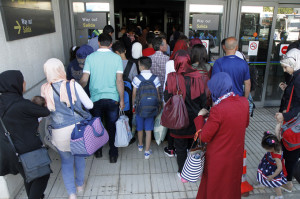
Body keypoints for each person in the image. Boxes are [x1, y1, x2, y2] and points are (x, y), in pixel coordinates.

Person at [41, 58, 93, 199]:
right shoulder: (72, 85)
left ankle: (71, 193)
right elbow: (89, 105)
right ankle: (80, 185)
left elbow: (45, 112)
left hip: (59, 132)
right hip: (77, 130)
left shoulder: (45, 89)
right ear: (61, 69)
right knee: (79, 157)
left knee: (66, 162)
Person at [194, 72, 249, 199]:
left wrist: (199, 118)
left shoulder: (218, 110)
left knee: (215, 188)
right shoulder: (244, 102)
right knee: (231, 187)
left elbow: (203, 137)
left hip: (218, 158)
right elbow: (244, 124)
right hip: (235, 156)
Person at [0, 70, 50, 199]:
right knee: (42, 176)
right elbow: (45, 112)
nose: (25, 83)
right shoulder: (23, 104)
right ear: (15, 84)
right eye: (22, 81)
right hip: (28, 150)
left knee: (29, 178)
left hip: (10, 151)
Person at [164, 50, 210, 179]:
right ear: (189, 61)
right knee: (194, 146)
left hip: (178, 118)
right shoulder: (197, 76)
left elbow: (166, 97)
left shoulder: (172, 77)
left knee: (180, 146)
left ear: (176, 62)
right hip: (195, 118)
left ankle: (181, 172)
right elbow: (203, 100)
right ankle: (194, 171)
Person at [80, 33, 125, 163]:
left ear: (98, 43)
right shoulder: (117, 58)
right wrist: (121, 99)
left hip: (95, 99)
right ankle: (113, 154)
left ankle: (98, 151)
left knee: (96, 125)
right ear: (111, 44)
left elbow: (84, 79)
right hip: (112, 98)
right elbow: (119, 81)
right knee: (112, 126)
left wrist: (76, 90)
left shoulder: (90, 57)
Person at [275, 48, 300, 192]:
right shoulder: (296, 76)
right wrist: (287, 89)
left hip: (294, 124)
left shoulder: (298, 77)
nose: (285, 70)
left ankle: (289, 182)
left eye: (286, 66)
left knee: (291, 154)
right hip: (293, 123)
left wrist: (285, 116)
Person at [163, 40, 189, 157]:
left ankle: (171, 148)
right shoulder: (189, 66)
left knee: (172, 123)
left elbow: (166, 80)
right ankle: (184, 149)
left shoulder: (169, 63)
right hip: (184, 98)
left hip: (172, 95)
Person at [132, 56, 161, 159]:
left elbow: (134, 93)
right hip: (151, 107)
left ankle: (140, 145)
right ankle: (147, 151)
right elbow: (157, 93)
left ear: (142, 66)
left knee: (140, 128)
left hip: (140, 107)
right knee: (148, 130)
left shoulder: (137, 78)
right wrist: (158, 106)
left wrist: (133, 106)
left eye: (139, 65)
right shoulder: (155, 78)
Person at [256, 132, 287, 199]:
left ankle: (279, 196)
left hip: (273, 171)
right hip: (268, 165)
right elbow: (277, 131)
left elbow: (279, 168)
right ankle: (263, 183)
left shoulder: (276, 156)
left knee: (275, 184)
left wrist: (272, 176)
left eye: (267, 149)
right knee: (264, 175)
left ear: (272, 147)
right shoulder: (276, 143)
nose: (267, 150)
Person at [149, 36, 169, 100]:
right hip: (164, 91)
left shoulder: (149, 59)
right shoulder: (168, 59)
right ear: (161, 47)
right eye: (166, 44)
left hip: (152, 91)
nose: (167, 45)